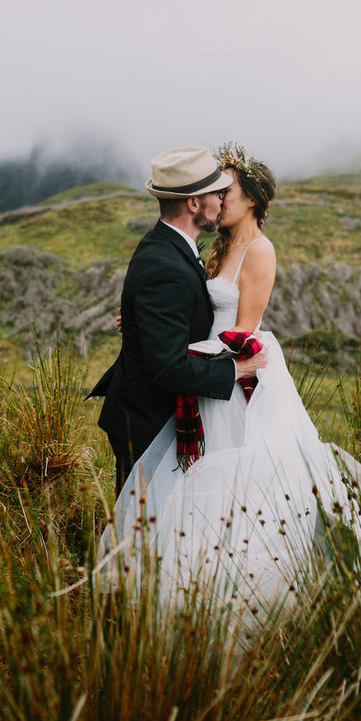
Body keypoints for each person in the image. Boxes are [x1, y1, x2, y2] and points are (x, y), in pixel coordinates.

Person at [104, 144, 361, 604]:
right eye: (214, 191)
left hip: (229, 371)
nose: (220, 198)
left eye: (226, 189)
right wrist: (142, 326)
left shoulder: (259, 249)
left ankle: (234, 580)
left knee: (237, 483)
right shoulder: (214, 246)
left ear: (250, 198)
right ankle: (183, 575)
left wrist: (214, 360)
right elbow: (182, 310)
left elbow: (239, 331)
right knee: (200, 486)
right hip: (203, 374)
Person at [87, 146, 268, 495]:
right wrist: (237, 371)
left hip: (153, 411)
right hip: (146, 421)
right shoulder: (167, 266)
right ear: (193, 204)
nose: (222, 199)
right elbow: (167, 369)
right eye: (216, 192)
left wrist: (145, 325)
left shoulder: (170, 245)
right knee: (143, 527)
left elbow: (180, 310)